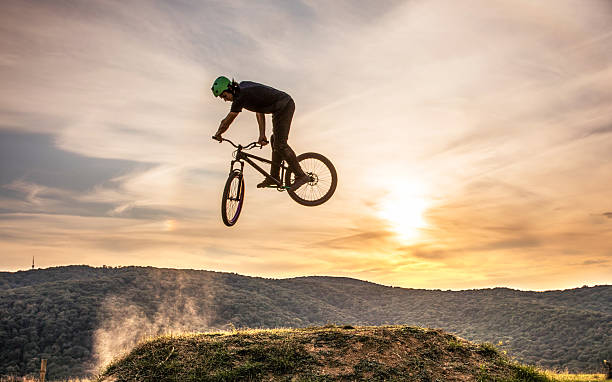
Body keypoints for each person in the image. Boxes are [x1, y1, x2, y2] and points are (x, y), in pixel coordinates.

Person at [211, 76, 309, 191]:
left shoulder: (240, 96)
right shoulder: (243, 90)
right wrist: (262, 134)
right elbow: (259, 110)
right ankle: (274, 177)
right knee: (275, 140)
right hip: (279, 108)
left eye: (224, 96)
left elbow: (227, 121)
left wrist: (218, 133)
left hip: (285, 105)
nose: (225, 100)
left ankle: (301, 176)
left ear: (230, 89)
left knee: (280, 144)